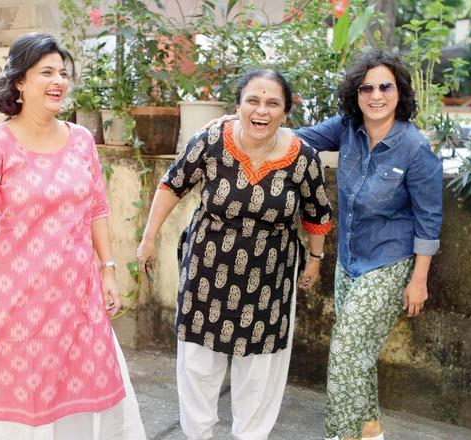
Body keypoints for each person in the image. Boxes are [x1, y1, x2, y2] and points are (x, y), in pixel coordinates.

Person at [0, 33, 146, 440]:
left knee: (82, 386)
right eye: (47, 72)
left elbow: (96, 209)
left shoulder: (81, 141)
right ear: (19, 81)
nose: (59, 82)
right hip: (16, 299)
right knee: (18, 394)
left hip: (76, 295)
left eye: (63, 73)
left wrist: (107, 270)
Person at [137, 69, 333, 440]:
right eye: (253, 101)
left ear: (286, 112)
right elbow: (172, 184)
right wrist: (148, 238)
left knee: (258, 371)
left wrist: (316, 260)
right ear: (238, 105)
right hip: (207, 268)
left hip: (269, 277)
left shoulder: (303, 157)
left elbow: (317, 213)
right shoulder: (211, 139)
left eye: (273, 103)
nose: (262, 111)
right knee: (198, 365)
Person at [293, 49, 443, 440]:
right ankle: (370, 429)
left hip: (390, 263)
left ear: (399, 92)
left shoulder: (414, 147)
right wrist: (246, 123)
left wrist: (419, 280)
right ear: (355, 94)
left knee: (344, 354)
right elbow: (298, 138)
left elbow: (429, 218)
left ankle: (339, 435)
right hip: (349, 262)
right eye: (366, 87)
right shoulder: (346, 128)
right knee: (356, 355)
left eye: (385, 86)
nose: (376, 95)